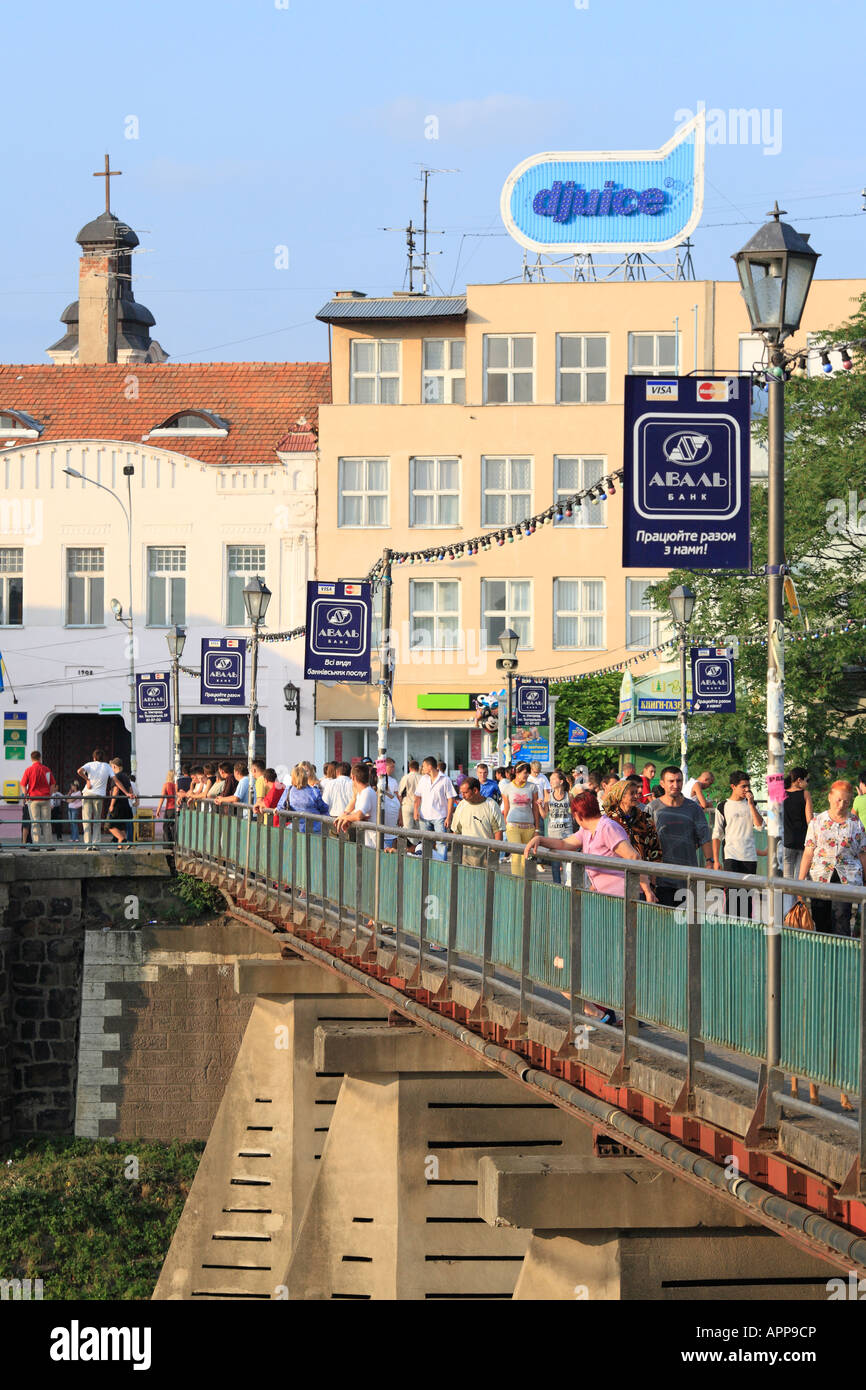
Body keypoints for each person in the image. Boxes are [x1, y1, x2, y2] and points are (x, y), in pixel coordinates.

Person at [798, 780, 866, 939]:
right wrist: (800, 881)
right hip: (820, 876)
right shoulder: (817, 822)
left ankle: (841, 959)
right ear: (830, 797)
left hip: (846, 878)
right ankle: (823, 958)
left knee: (842, 918)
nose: (842, 805)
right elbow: (808, 852)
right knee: (820, 918)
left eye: (846, 801)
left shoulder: (856, 824)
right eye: (838, 800)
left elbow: (863, 853)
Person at [648, 766, 714, 907]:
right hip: (661, 879)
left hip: (688, 877)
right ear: (662, 783)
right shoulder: (652, 808)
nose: (675, 785)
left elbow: (704, 836)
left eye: (679, 781)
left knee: (687, 923)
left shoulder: (694, 808)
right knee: (663, 923)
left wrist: (710, 861)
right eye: (671, 781)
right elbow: (646, 843)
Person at [711, 771, 766, 918]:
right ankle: (730, 925)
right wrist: (716, 860)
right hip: (731, 855)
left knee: (747, 896)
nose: (746, 789)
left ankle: (745, 927)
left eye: (748, 786)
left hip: (749, 856)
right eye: (743, 786)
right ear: (733, 786)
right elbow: (717, 835)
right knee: (732, 894)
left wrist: (751, 804)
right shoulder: (723, 806)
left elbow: (759, 825)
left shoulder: (751, 804)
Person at [602, 779, 663, 874]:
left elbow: (655, 848)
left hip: (642, 874)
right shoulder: (609, 820)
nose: (636, 796)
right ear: (621, 796)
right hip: (615, 874)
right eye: (632, 793)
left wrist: (653, 876)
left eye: (636, 793)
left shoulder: (644, 819)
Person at [449, 778, 505, 867]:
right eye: (461, 793)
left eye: (465, 793)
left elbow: (498, 832)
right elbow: (456, 832)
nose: (462, 796)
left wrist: (493, 853)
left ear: (475, 790)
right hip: (466, 856)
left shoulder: (491, 805)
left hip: (486, 856)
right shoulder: (461, 805)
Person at [502, 761, 542, 877]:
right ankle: (517, 883)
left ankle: (527, 884)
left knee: (527, 857)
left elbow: (535, 808)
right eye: (525, 773)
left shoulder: (532, 787)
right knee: (516, 856)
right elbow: (506, 808)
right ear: (517, 773)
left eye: (528, 773)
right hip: (513, 826)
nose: (526, 776)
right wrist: (506, 825)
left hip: (529, 826)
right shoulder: (507, 788)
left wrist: (537, 829)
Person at [782, 767, 813, 914]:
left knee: (787, 881)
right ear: (799, 781)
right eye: (807, 780)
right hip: (803, 843)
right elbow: (810, 821)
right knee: (800, 880)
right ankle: (798, 913)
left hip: (785, 842)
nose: (808, 783)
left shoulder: (781, 794)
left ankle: (787, 914)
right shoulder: (805, 794)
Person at [413, 756, 456, 858]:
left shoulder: (445, 780)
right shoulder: (423, 779)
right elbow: (417, 796)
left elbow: (451, 799)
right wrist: (416, 810)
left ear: (429, 766)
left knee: (441, 843)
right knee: (424, 842)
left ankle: (442, 865)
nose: (422, 769)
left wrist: (449, 817)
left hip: (440, 817)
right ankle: (426, 864)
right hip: (424, 816)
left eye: (423, 766)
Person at [77, 747, 114, 850]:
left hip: (88, 794)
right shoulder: (107, 766)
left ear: (94, 758)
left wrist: (87, 780)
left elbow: (79, 771)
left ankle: (88, 844)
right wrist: (127, 792)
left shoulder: (89, 764)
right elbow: (115, 780)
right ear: (104, 758)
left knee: (86, 819)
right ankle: (96, 844)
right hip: (99, 795)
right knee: (97, 820)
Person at [335, 763, 378, 848]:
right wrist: (347, 817)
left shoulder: (367, 792)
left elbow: (358, 815)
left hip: (372, 843)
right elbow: (356, 813)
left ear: (353, 777)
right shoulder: (362, 793)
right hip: (368, 841)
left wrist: (344, 818)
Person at [279, 763, 329, 834]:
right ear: (306, 777)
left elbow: (280, 807)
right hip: (315, 829)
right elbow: (324, 808)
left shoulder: (289, 790)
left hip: (295, 829)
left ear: (293, 777)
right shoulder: (315, 790)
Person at [545, 769, 575, 885]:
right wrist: (540, 806)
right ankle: (556, 887)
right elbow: (544, 815)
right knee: (555, 864)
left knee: (568, 862)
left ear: (561, 781)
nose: (551, 781)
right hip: (553, 833)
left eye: (553, 779)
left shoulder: (569, 796)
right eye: (550, 779)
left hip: (567, 831)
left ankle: (568, 886)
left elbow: (574, 813)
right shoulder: (548, 796)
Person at [20, 749, 56, 845]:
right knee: (47, 823)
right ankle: (49, 845)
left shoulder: (29, 770)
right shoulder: (46, 769)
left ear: (32, 759)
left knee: (35, 823)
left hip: (33, 799)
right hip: (45, 799)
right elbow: (52, 784)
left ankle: (36, 845)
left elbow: (23, 784)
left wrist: (26, 794)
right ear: (40, 758)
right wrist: (49, 794)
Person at [106, 758, 136, 846]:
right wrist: (130, 795)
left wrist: (111, 805)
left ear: (114, 766)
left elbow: (115, 790)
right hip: (125, 805)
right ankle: (121, 847)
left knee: (109, 825)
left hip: (117, 805)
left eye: (111, 766)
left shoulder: (116, 777)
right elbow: (130, 790)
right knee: (121, 827)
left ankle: (122, 839)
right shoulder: (126, 777)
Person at [399, 759, 421, 831]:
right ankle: (417, 842)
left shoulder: (405, 777)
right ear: (418, 768)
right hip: (419, 806)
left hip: (407, 804)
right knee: (419, 829)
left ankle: (410, 842)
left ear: (409, 768)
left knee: (407, 830)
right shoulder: (422, 778)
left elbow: (400, 794)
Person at [156, 770, 177, 844]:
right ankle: (175, 844)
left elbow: (162, 798)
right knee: (174, 827)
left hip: (169, 808)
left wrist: (158, 809)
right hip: (176, 808)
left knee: (166, 827)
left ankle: (168, 845)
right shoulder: (176, 785)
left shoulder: (166, 785)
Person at [67, 778, 83, 844]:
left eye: (72, 786)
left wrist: (69, 800)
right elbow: (67, 799)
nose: (71, 787)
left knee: (74, 823)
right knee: (71, 823)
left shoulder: (79, 793)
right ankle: (72, 837)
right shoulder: (72, 793)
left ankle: (76, 837)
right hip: (70, 808)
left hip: (75, 809)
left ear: (75, 786)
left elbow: (72, 800)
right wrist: (69, 793)